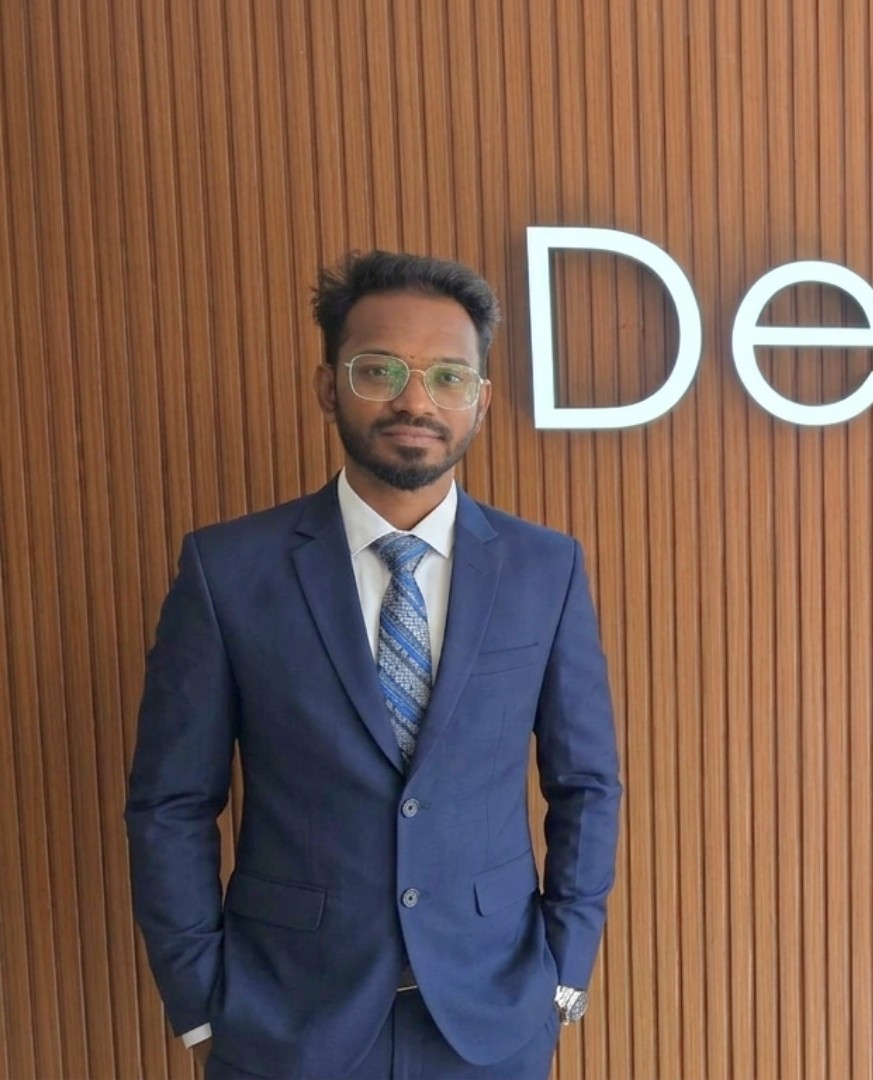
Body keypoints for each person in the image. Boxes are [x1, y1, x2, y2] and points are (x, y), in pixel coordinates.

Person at [125, 250, 624, 1078]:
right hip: (285, 1020)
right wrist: (201, 1002)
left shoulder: (546, 568)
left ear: (481, 400)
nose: (415, 400)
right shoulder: (229, 571)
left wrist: (564, 976)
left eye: (447, 377)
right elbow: (171, 802)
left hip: (491, 1018)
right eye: (379, 369)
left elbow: (587, 784)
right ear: (329, 386)